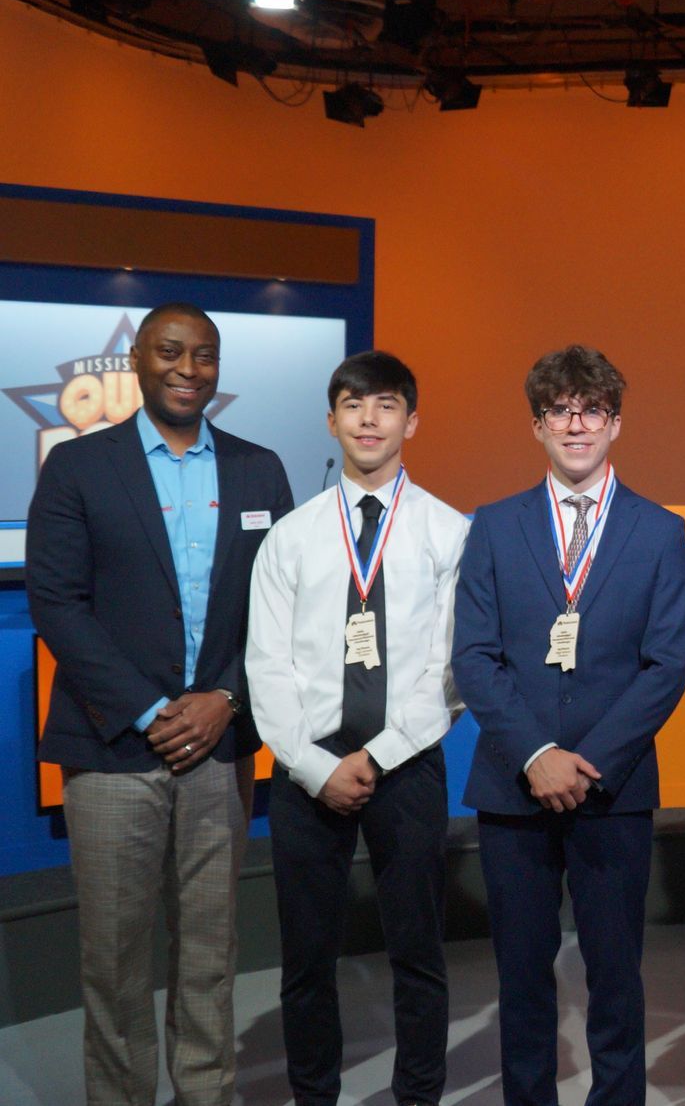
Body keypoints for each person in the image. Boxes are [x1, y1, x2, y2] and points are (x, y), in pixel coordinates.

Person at [26, 301, 293, 1106]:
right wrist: (151, 711)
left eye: (204, 354)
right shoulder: (78, 466)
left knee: (210, 951)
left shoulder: (259, 469)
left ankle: (206, 1094)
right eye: (171, 351)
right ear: (138, 359)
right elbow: (58, 602)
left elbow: (281, 608)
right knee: (114, 960)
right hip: (111, 748)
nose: (188, 368)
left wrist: (225, 698)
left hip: (219, 749)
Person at [453, 345, 685, 1106]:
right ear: (538, 426)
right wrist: (537, 755)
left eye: (592, 410)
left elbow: (666, 667)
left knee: (615, 977)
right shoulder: (494, 526)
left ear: (616, 424)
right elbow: (475, 657)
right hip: (513, 789)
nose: (577, 424)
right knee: (522, 979)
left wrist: (586, 764)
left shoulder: (659, 530)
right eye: (560, 411)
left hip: (612, 792)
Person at [246, 350, 468, 1106]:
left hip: (408, 765)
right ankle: (314, 1096)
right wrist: (316, 767)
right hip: (307, 771)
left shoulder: (448, 531)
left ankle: (418, 1096)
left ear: (413, 421)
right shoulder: (292, 536)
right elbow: (267, 664)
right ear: (331, 420)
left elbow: (452, 669)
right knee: (307, 961)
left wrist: (380, 756)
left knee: (419, 955)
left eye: (386, 405)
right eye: (353, 405)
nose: (369, 420)